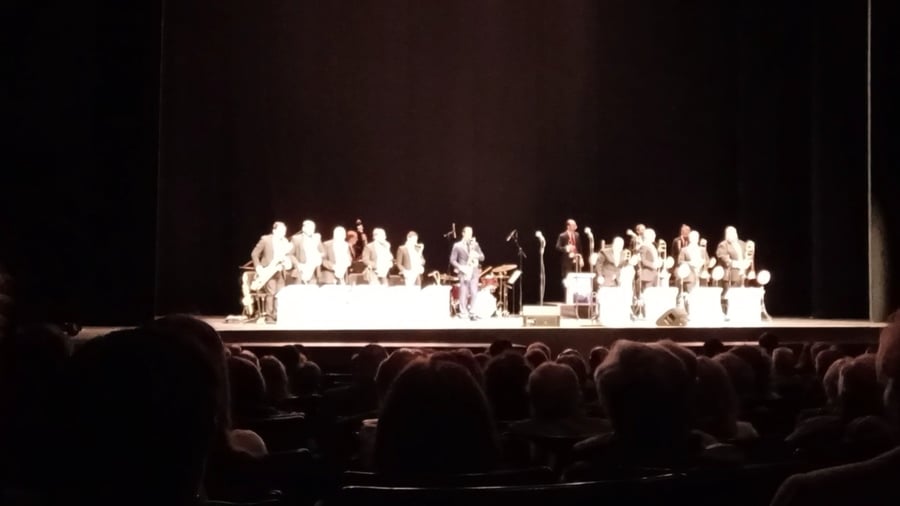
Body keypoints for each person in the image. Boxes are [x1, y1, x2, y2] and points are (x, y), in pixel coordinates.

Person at [250, 221, 293, 323]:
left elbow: (287, 256)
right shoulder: (265, 240)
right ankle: (269, 317)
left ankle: (278, 315)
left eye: (284, 231)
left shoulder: (285, 242)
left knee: (280, 294)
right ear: (274, 231)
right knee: (271, 293)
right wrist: (258, 267)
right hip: (268, 270)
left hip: (280, 270)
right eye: (281, 231)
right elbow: (254, 254)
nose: (283, 233)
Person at [450, 226, 485, 320]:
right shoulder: (457, 245)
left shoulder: (475, 244)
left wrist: (477, 255)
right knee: (463, 292)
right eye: (468, 233)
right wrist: (461, 267)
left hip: (474, 270)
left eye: (471, 233)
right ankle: (463, 312)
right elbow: (452, 260)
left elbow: (482, 257)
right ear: (463, 233)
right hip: (464, 271)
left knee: (474, 292)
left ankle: (472, 311)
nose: (470, 235)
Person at [289, 219, 324, 284]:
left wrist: (318, 257)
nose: (312, 230)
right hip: (300, 271)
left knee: (312, 293)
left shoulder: (316, 239)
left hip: (313, 272)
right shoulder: (296, 239)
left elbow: (323, 252)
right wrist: (298, 264)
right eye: (310, 228)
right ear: (303, 228)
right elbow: (290, 254)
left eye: (313, 228)